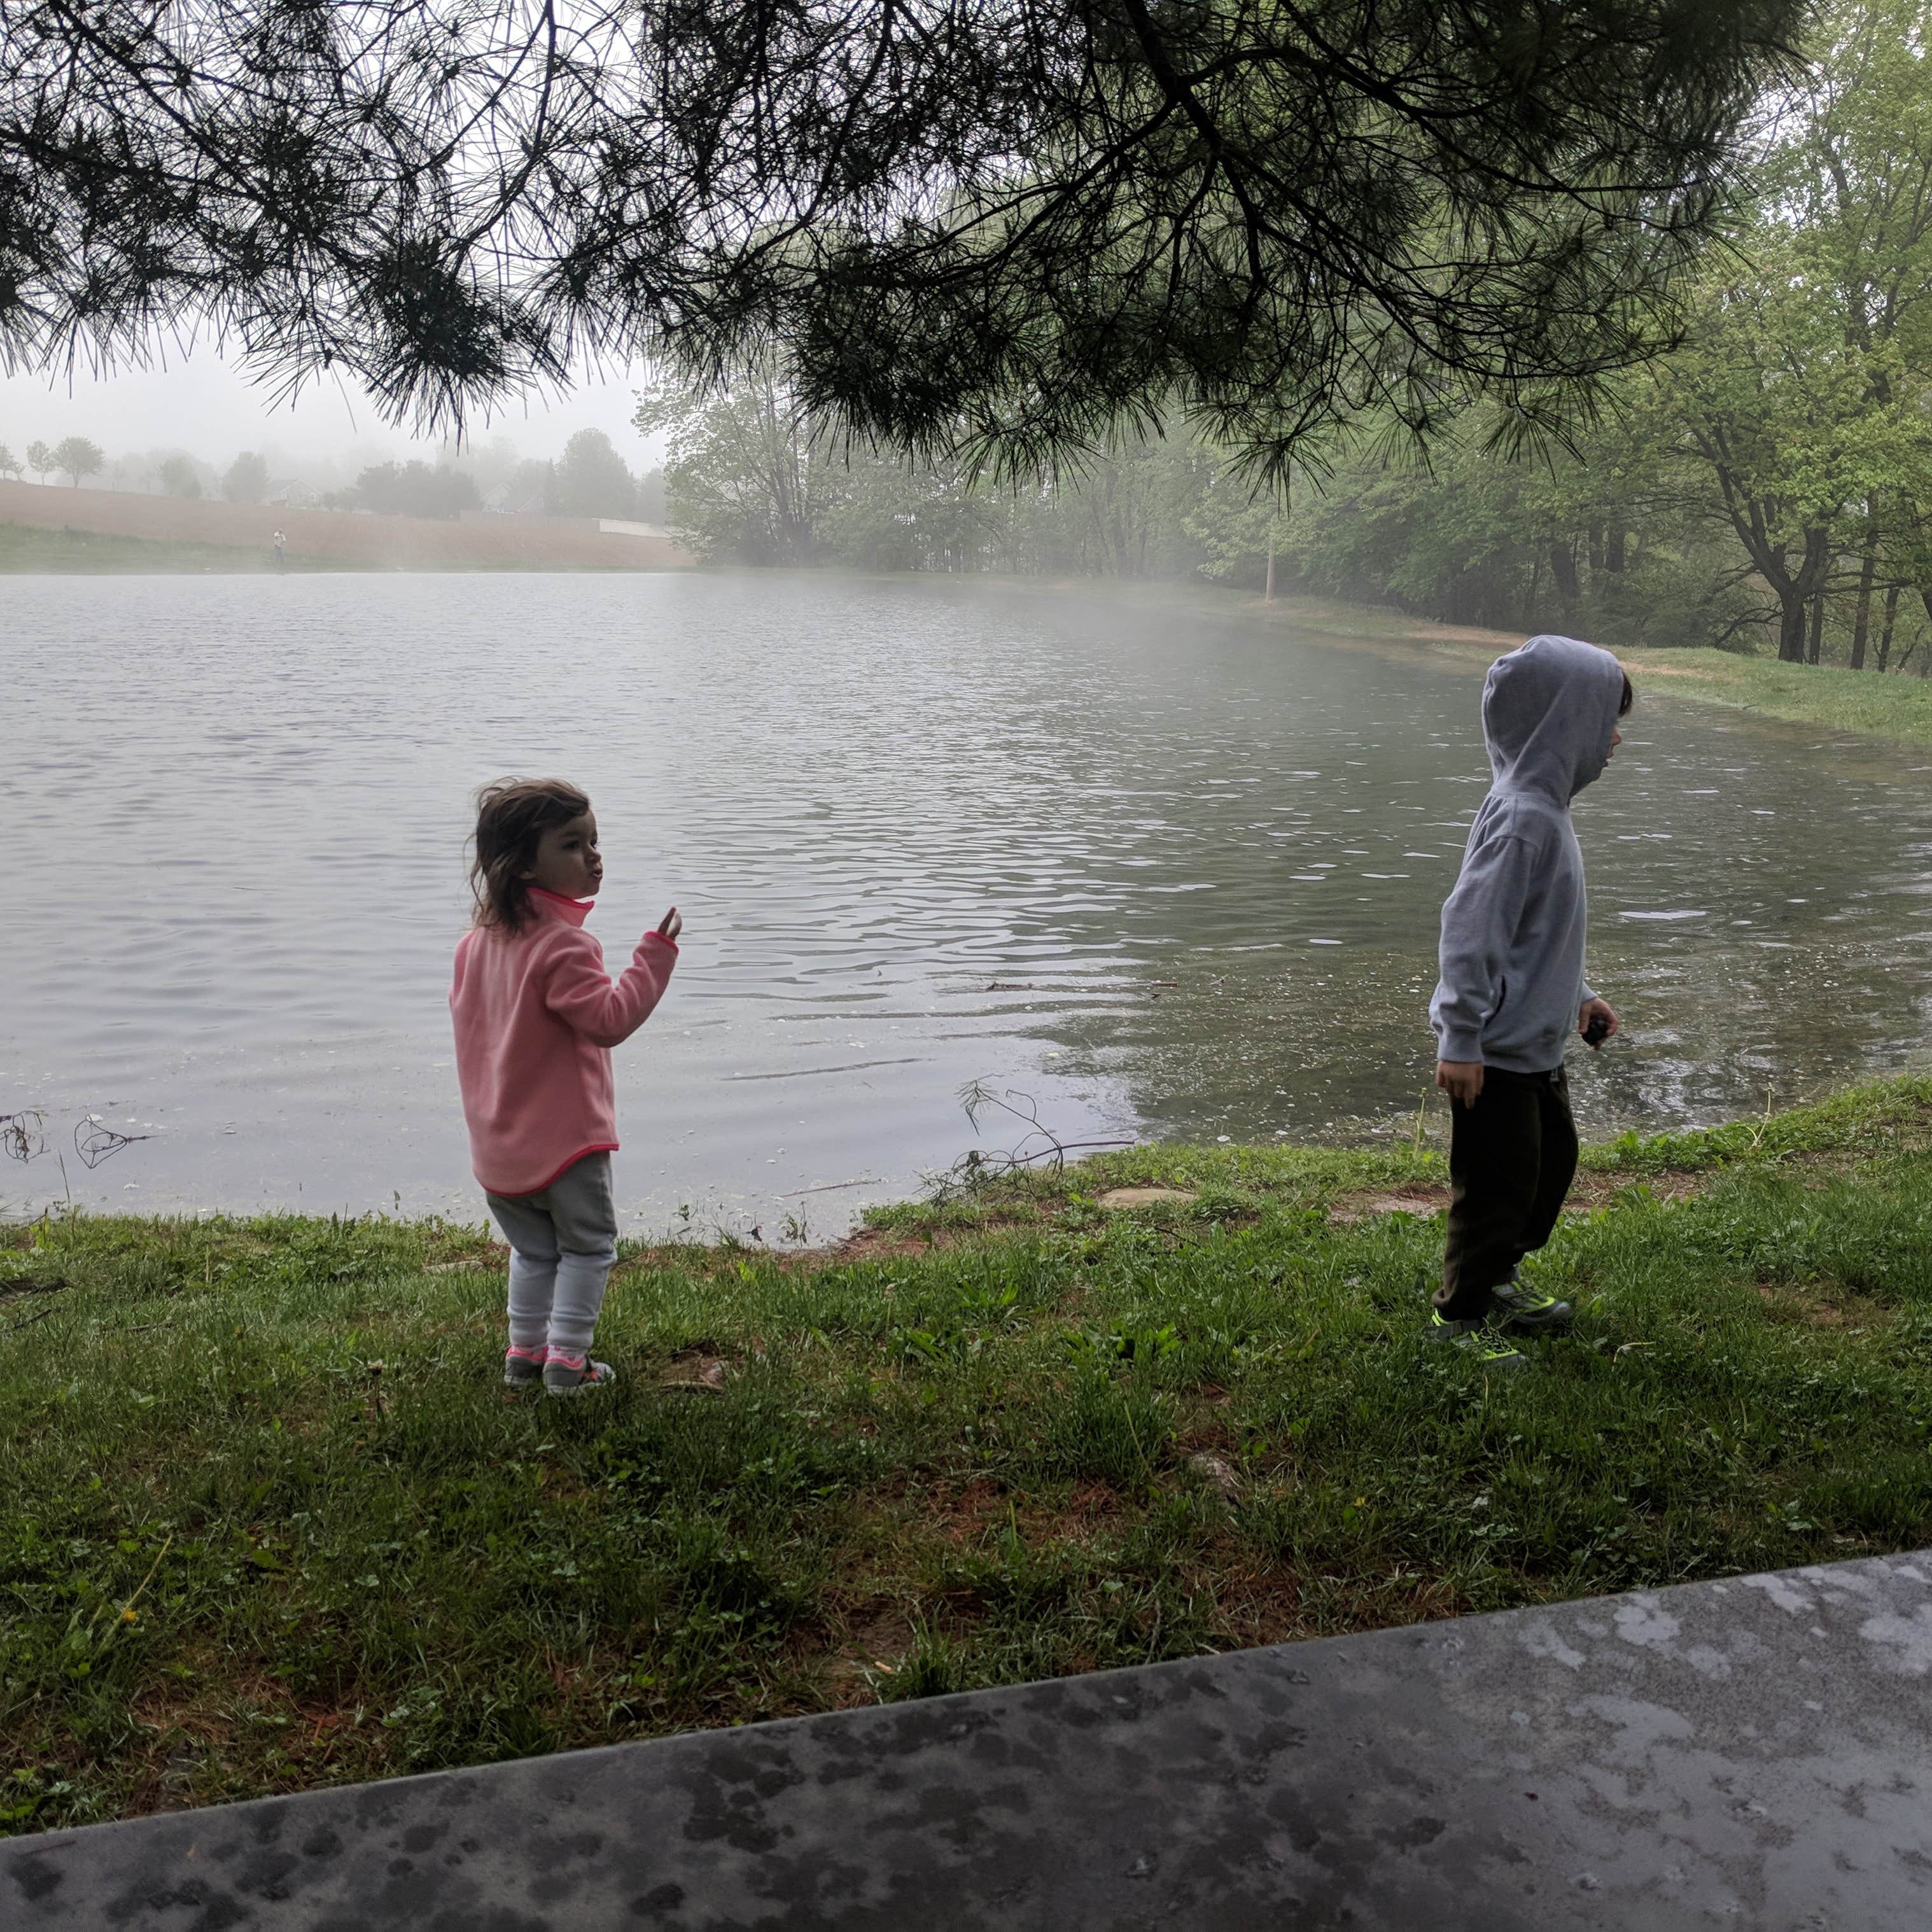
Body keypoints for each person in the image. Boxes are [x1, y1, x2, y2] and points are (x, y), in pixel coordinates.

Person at [1428, 634, 1633, 1369]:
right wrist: (1460, 1037)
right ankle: (1460, 1320)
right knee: (1495, 1187)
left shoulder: (1545, 812)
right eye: (1607, 718)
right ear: (1563, 721)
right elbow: (1471, 929)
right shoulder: (1522, 819)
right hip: (1495, 1052)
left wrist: (1579, 994)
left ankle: (1501, 1281)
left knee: (1549, 1170)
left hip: (1536, 1044)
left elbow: (1534, 933)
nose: (1614, 737)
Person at [451, 778, 681, 1396]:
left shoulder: (475, 946)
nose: (594, 856)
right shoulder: (564, 945)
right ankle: (568, 1365)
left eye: (594, 840)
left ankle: (523, 1355)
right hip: (565, 1148)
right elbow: (609, 1023)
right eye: (574, 844)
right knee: (587, 1251)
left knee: (534, 1254)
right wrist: (653, 959)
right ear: (522, 864)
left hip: (499, 1149)